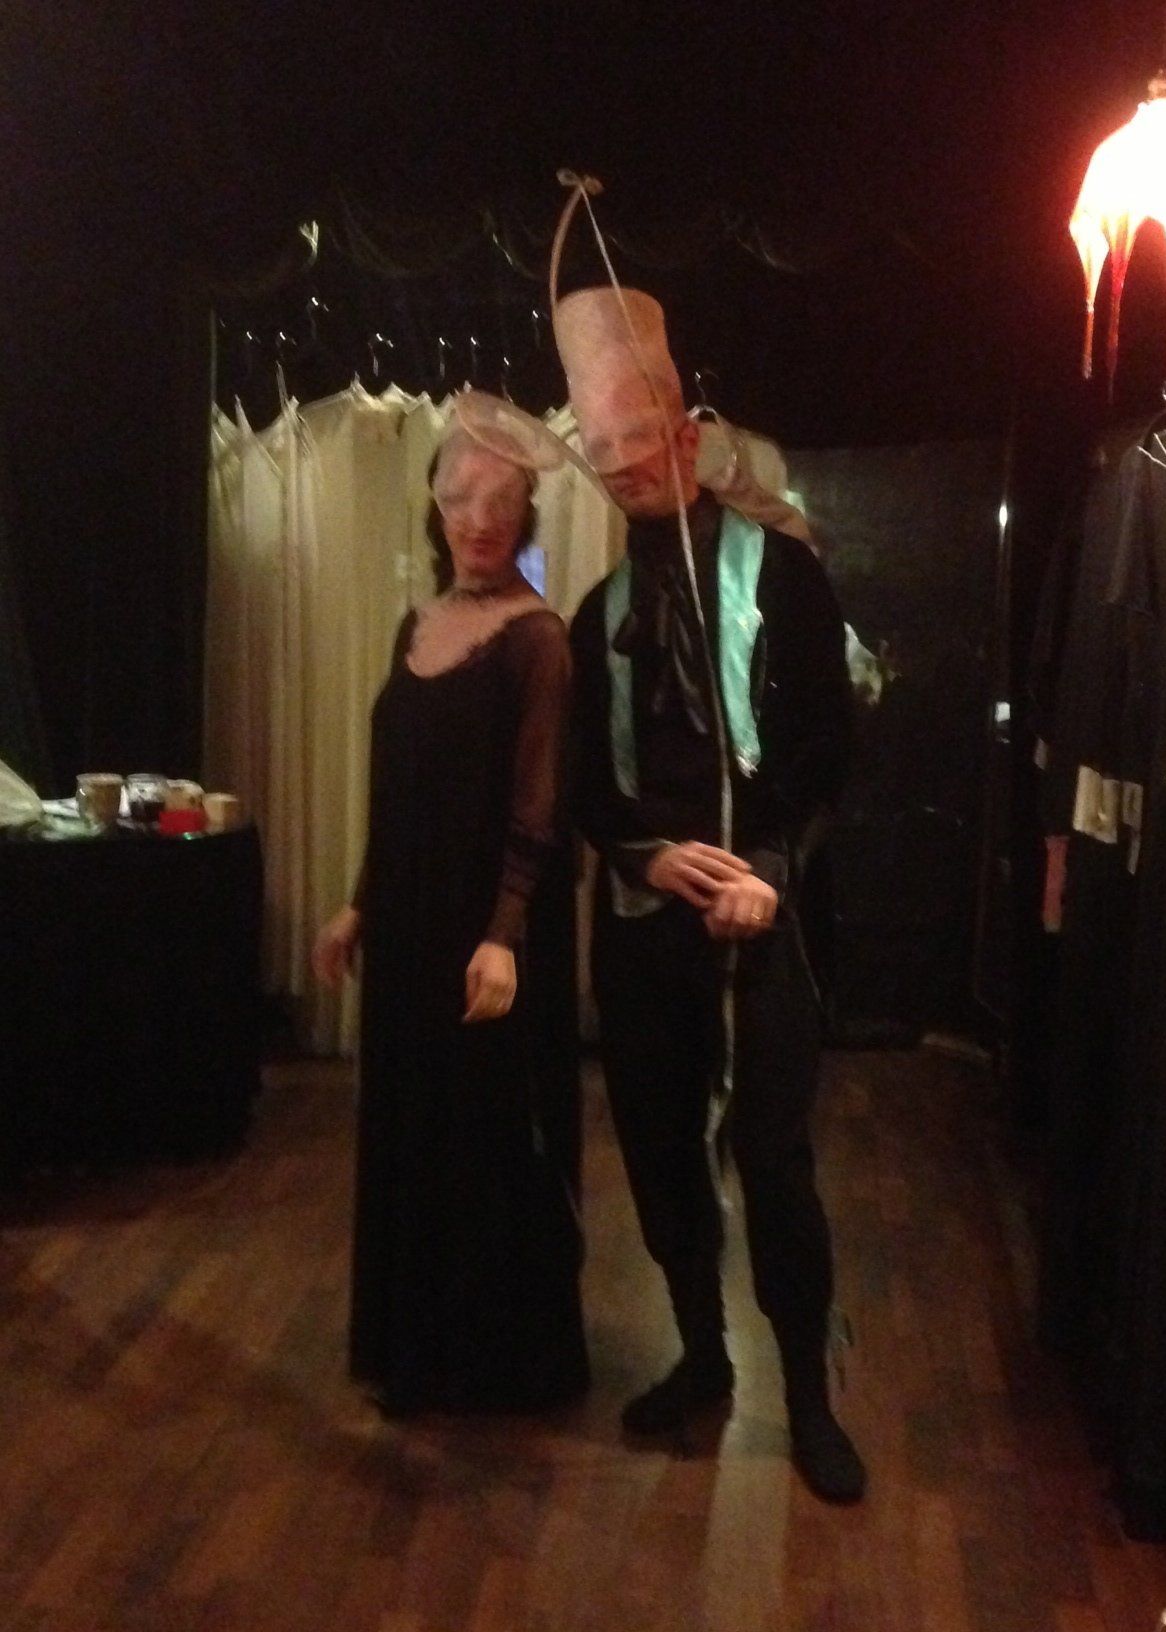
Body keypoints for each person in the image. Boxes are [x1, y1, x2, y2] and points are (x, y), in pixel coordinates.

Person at [559, 285, 865, 1501]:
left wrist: (771, 871)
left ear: (688, 438)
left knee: (775, 1164)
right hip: (644, 933)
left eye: (644, 442)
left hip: (764, 928)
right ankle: (702, 1355)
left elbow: (833, 756)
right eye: (608, 455)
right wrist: (643, 856)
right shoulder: (594, 620)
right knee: (658, 1154)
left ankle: (809, 1401)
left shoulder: (783, 576)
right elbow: (587, 788)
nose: (630, 469)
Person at [313, 394, 589, 1416]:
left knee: (484, 1143)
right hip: (410, 934)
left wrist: (504, 935)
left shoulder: (539, 640)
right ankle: (416, 1351)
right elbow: (397, 797)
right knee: (414, 1133)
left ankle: (491, 1365)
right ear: (435, 507)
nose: (481, 520)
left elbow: (540, 806)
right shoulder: (415, 627)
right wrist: (358, 907)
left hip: (488, 941)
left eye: (502, 502)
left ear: (525, 516)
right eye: (463, 498)